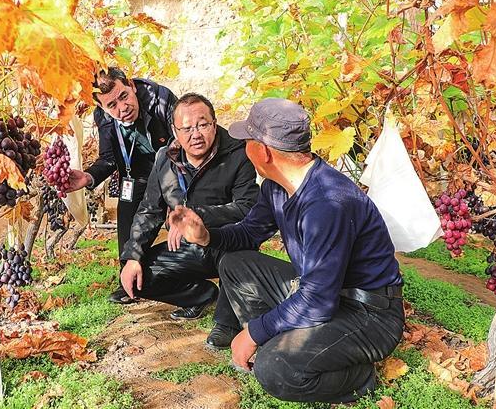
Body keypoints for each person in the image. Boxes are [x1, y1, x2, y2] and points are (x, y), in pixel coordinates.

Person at [167, 98, 405, 404]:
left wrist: (254, 332)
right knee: (234, 264)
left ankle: (359, 377)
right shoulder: (276, 186)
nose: (243, 147)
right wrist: (206, 237)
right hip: (326, 294)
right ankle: (286, 340)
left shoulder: (327, 203)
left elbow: (317, 301)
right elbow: (249, 233)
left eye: (247, 141)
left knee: (274, 369)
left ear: (264, 152)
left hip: (369, 315)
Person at [120, 93, 259, 348]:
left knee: (237, 255)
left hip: (225, 241)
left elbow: (247, 207)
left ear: (214, 124)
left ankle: (227, 321)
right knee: (137, 279)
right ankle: (200, 295)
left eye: (202, 125)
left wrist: (197, 216)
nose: (195, 134)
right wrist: (133, 256)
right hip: (186, 247)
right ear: (175, 130)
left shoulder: (238, 153)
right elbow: (150, 210)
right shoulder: (165, 158)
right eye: (186, 128)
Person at [67, 68, 177, 304]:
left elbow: (183, 146)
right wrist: (88, 177)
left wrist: (175, 198)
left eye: (124, 96)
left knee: (181, 223)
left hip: (172, 170)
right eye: (112, 105)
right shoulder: (103, 117)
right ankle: (129, 282)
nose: (122, 108)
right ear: (102, 107)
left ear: (131, 85)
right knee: (126, 220)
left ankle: (194, 278)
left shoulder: (161, 99)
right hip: (136, 175)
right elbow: (108, 158)